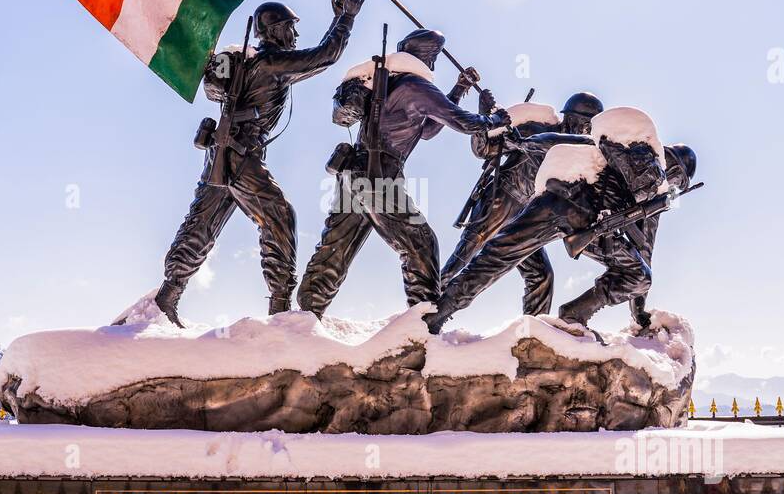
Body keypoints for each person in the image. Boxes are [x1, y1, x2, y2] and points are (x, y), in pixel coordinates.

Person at [153, 0, 364, 326]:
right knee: (279, 215)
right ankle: (280, 307)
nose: (294, 36)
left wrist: (336, 22)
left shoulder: (253, 62)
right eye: (290, 28)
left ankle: (168, 296)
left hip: (221, 151)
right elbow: (325, 57)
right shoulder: (271, 63)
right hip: (241, 154)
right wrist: (346, 18)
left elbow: (313, 62)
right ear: (275, 30)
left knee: (203, 224)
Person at [296, 29, 510, 317]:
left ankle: (307, 313)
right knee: (420, 242)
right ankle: (424, 321)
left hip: (355, 171)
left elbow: (428, 129)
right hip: (380, 174)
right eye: (433, 55)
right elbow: (459, 121)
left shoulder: (397, 83)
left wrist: (459, 89)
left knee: (338, 245)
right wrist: (492, 120)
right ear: (425, 55)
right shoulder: (416, 86)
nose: (434, 62)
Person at [424, 107, 695, 334]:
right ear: (678, 177)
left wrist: (524, 143)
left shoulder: (624, 148)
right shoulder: (654, 190)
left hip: (559, 201)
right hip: (588, 221)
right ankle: (574, 315)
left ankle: (437, 315)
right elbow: (644, 254)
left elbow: (563, 143)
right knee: (639, 276)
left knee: (496, 257)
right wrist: (639, 313)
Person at [442, 92, 604, 316]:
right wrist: (484, 115)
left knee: (541, 276)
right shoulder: (538, 128)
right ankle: (426, 308)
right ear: (571, 118)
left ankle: (534, 332)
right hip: (500, 202)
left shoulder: (578, 151)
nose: (586, 130)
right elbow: (483, 150)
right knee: (462, 258)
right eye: (585, 123)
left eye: (591, 126)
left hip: (527, 217)